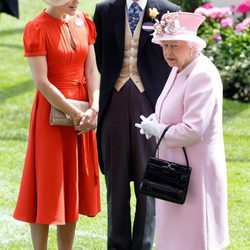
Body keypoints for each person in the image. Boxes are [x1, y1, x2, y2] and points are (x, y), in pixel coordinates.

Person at [136, 11, 230, 250]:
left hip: (196, 170)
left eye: (174, 46)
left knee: (193, 236)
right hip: (173, 165)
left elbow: (192, 130)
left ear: (191, 46)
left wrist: (157, 129)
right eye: (164, 45)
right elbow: (170, 106)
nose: (167, 52)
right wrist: (156, 118)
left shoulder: (202, 75)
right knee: (173, 233)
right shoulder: (179, 67)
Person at [93, 0, 181, 249]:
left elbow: (174, 56)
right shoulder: (104, 9)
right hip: (115, 101)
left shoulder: (168, 10)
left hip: (151, 102)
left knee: (150, 180)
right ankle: (117, 245)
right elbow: (100, 57)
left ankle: (144, 244)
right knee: (116, 182)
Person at [13, 0, 101, 249]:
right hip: (51, 117)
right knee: (46, 182)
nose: (76, 1)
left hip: (83, 113)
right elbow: (41, 82)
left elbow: (92, 70)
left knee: (72, 183)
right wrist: (76, 114)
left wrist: (94, 106)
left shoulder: (85, 21)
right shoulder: (36, 27)